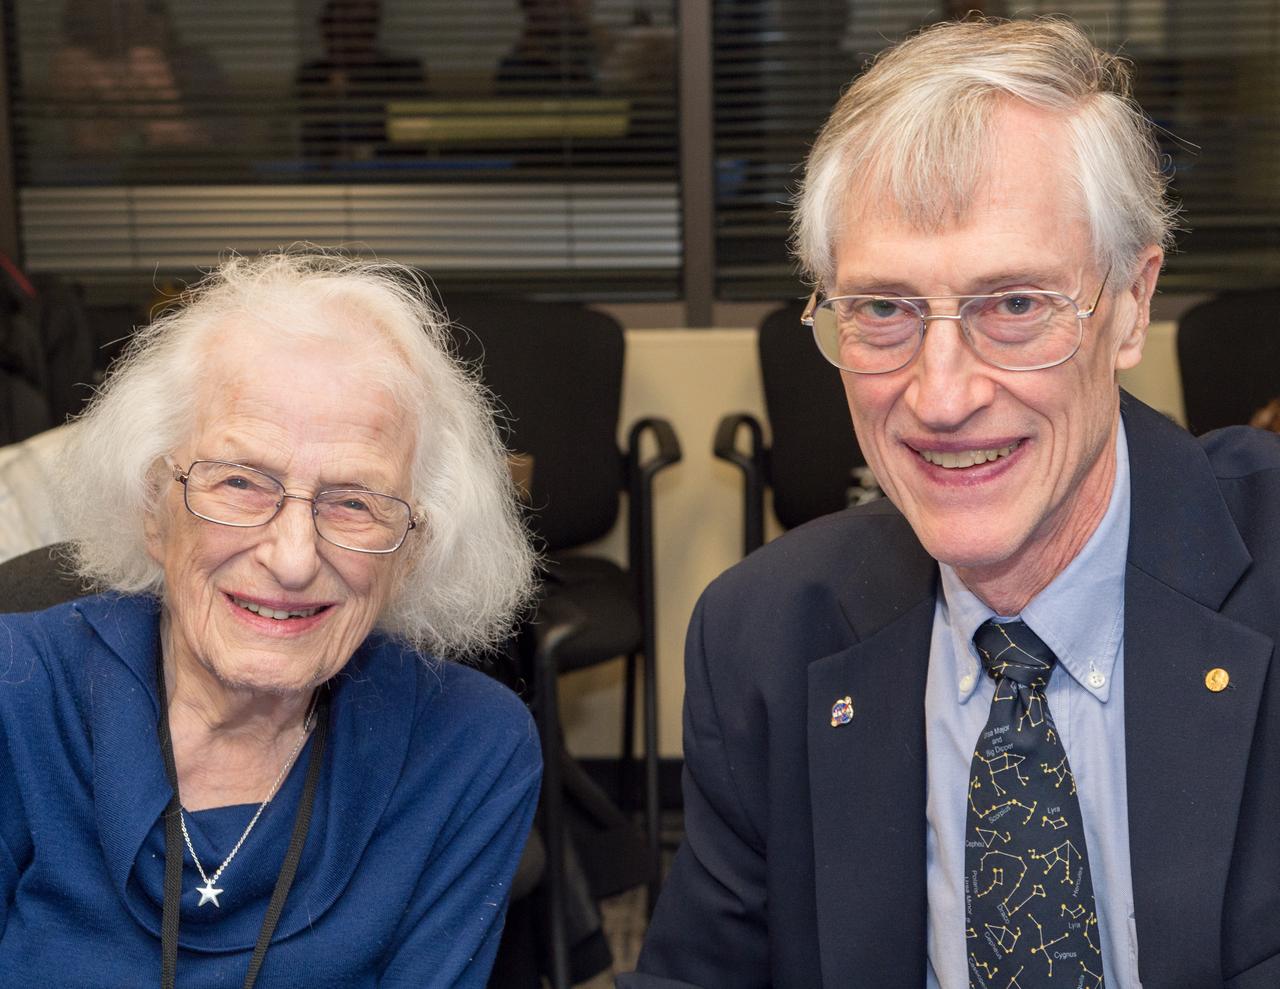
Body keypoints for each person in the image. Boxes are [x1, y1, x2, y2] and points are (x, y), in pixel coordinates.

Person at [623, 16, 1280, 989]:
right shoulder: (765, 637)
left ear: (1131, 304)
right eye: (883, 309)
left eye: (1013, 304)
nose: (939, 396)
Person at [0, 250, 541, 985]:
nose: (292, 559)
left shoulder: (467, 748)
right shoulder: (18, 697)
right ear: (153, 507)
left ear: (413, 551)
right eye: (240, 482)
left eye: (355, 502)